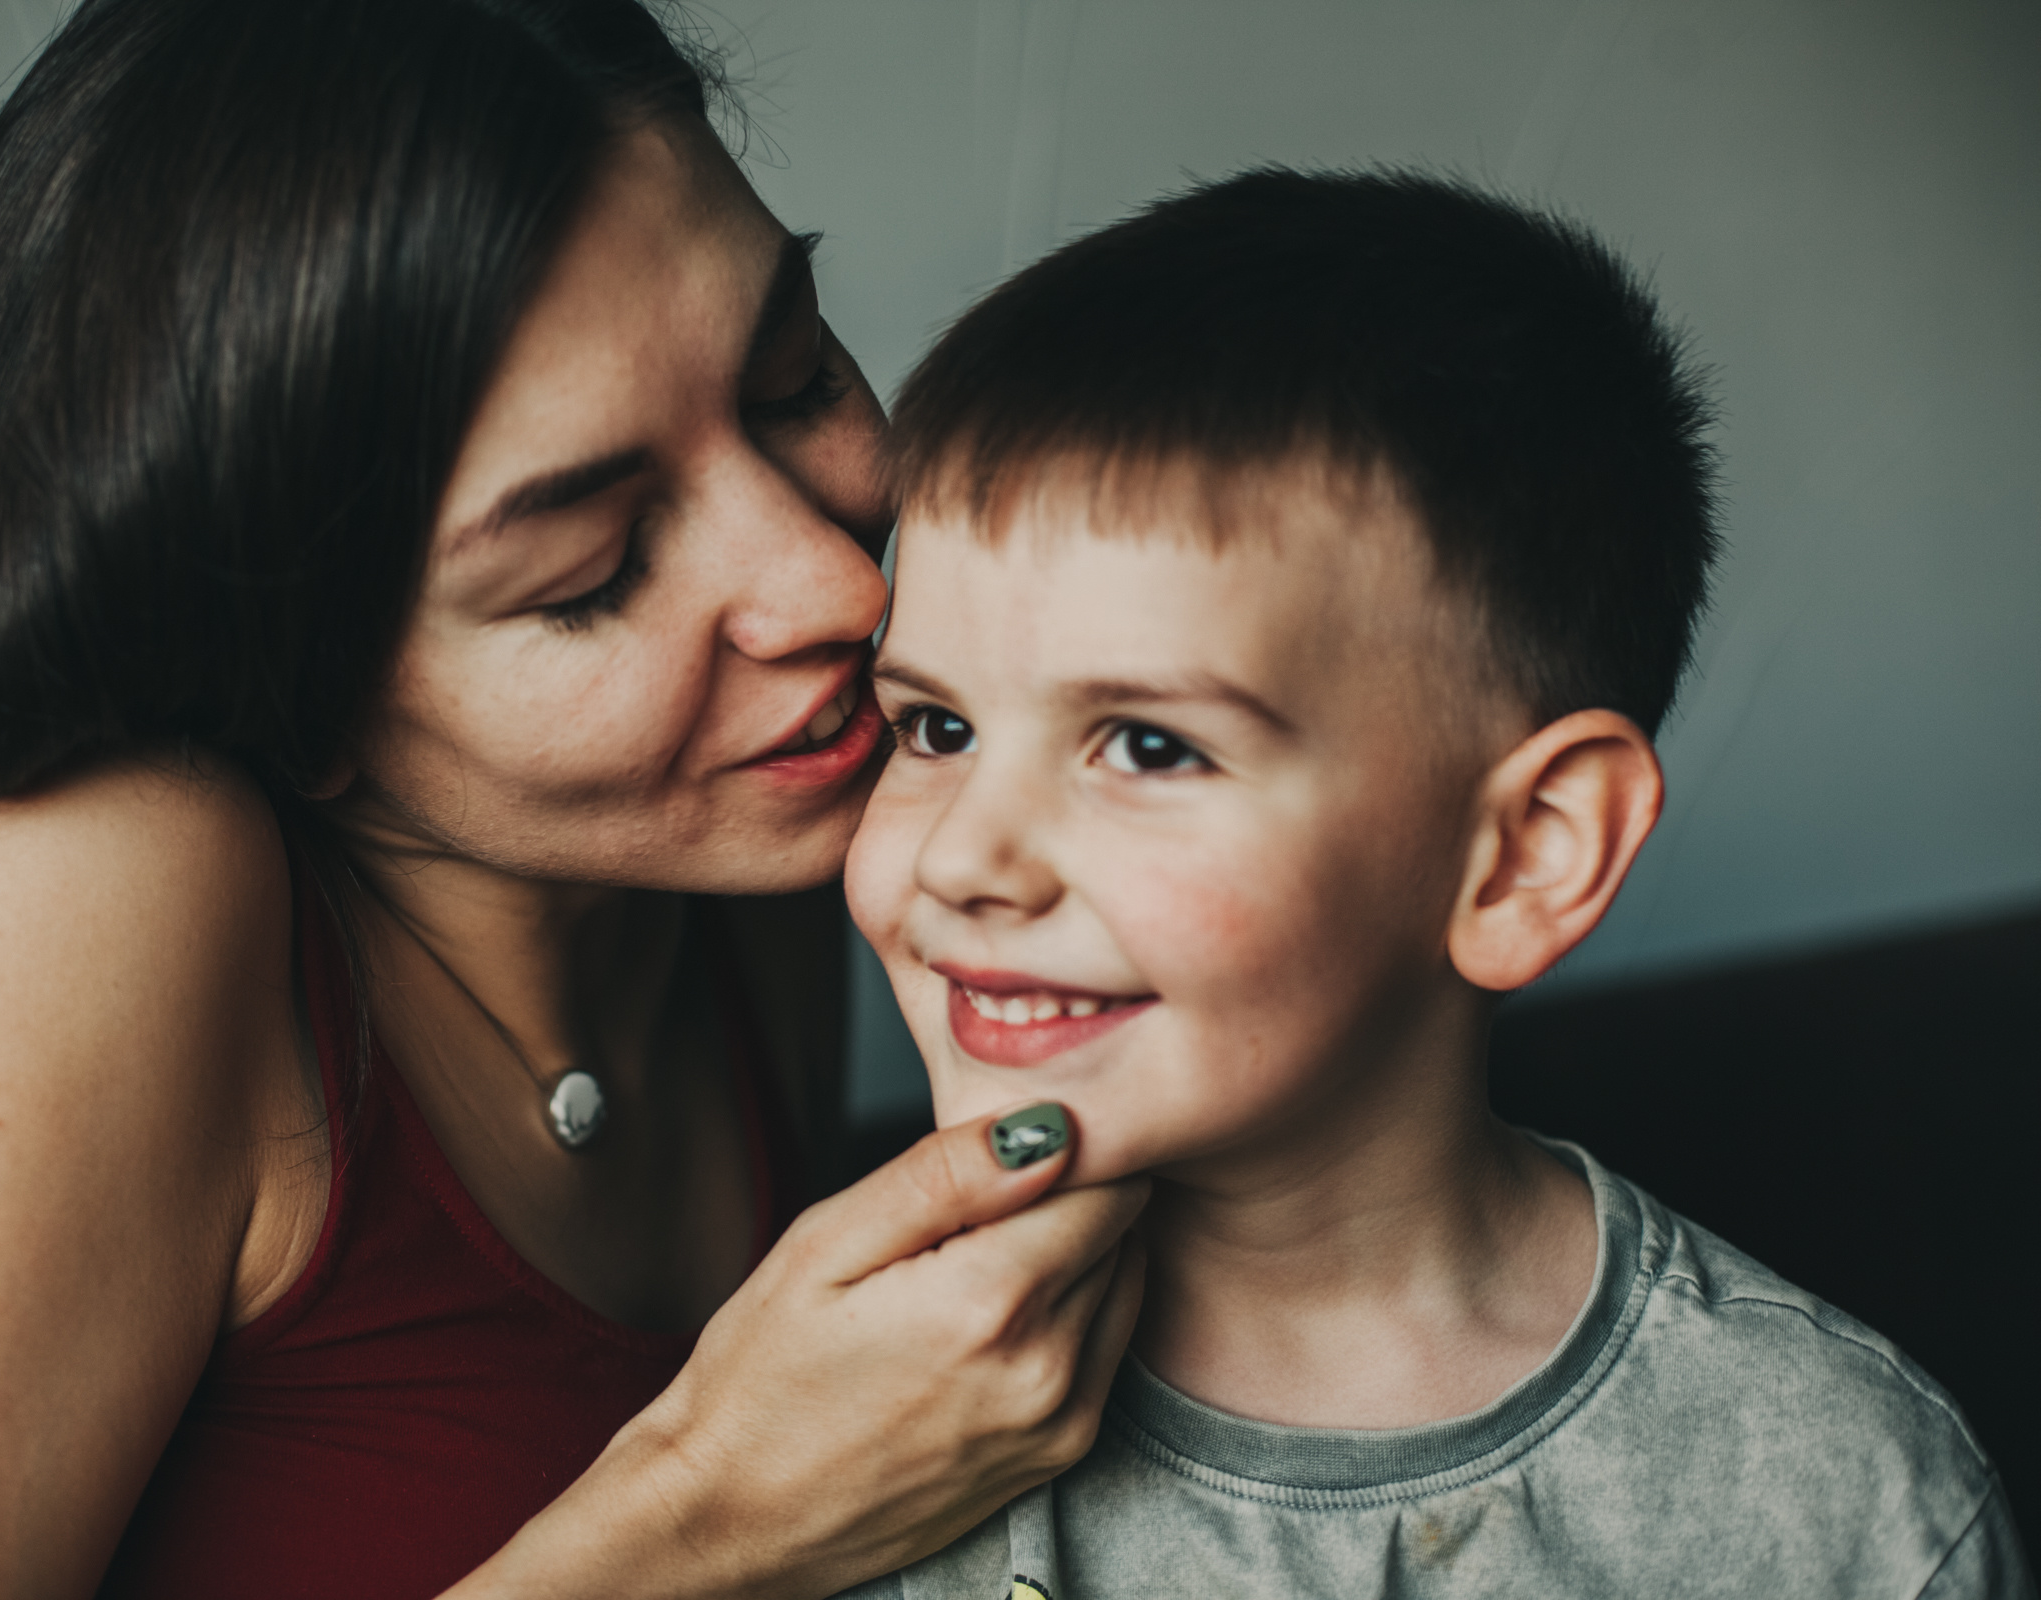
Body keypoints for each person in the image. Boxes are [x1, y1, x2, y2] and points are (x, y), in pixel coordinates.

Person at [0, 2, 1154, 1595]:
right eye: (594, 573)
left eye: (791, 381)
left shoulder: (738, 847)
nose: (841, 585)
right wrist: (709, 1521)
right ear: (291, 692)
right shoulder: (79, 911)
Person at [841, 169, 2033, 1597]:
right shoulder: (828, 1422)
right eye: (936, 728)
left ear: (1528, 854)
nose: (964, 857)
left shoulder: (1829, 1506)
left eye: (1149, 746)